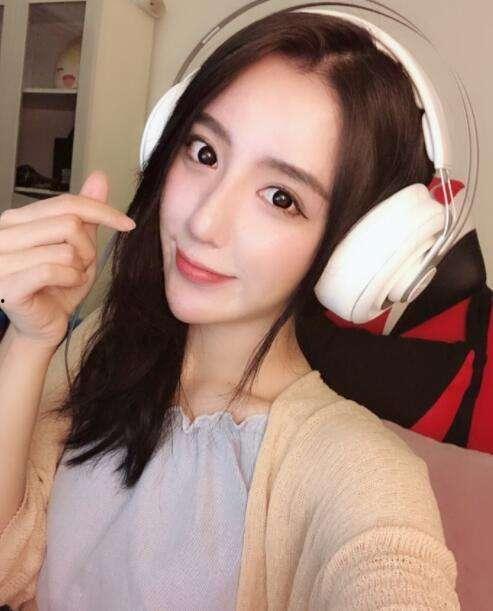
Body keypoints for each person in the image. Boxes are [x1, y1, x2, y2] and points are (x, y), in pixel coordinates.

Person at [0, 10, 461, 609]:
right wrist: (29, 341)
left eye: (281, 197)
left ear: (354, 251)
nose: (203, 221)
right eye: (205, 152)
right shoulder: (101, 349)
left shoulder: (360, 470)